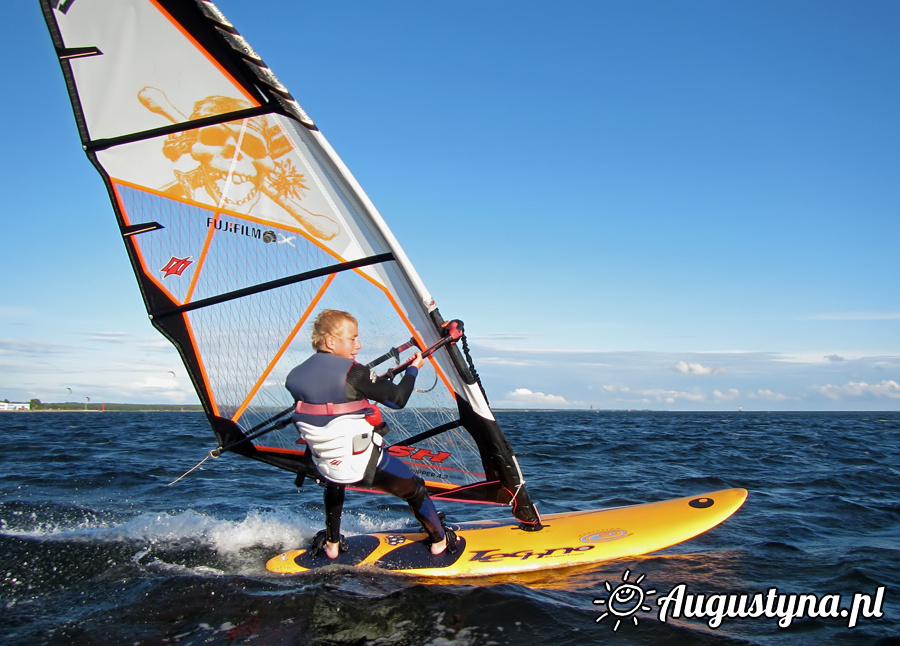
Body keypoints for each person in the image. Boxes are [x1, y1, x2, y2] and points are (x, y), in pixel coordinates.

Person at [285, 309, 455, 559]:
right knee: (416, 489)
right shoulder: (354, 372)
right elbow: (397, 400)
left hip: (326, 465)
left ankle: (332, 544)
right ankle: (439, 540)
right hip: (365, 463)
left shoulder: (294, 377)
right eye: (352, 339)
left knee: (335, 479)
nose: (359, 345)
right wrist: (413, 368)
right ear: (331, 342)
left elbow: (329, 404)